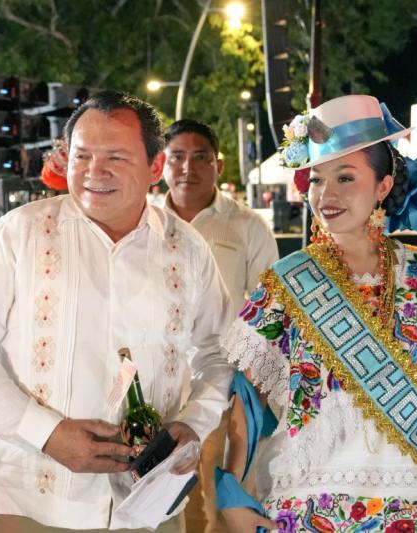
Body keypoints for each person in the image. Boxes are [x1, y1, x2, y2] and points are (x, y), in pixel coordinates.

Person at [216, 95, 417, 532]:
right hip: (314, 502)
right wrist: (232, 488)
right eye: (316, 179)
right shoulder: (286, 281)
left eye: (345, 177)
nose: (326, 194)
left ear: (383, 186)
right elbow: (248, 391)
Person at [0, 91, 234, 532]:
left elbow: (218, 351)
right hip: (38, 501)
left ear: (155, 167)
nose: (96, 172)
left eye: (116, 156)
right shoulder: (20, 234)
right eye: (82, 156)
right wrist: (46, 433)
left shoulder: (186, 248)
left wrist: (194, 423)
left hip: (150, 503)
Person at [161, 119, 279, 533]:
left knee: (212, 493)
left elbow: (271, 311)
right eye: (176, 157)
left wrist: (258, 384)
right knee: (163, 500)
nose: (186, 168)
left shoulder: (247, 227)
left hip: (218, 382)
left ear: (219, 166)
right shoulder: (145, 223)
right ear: (162, 163)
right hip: (155, 385)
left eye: (200, 157)